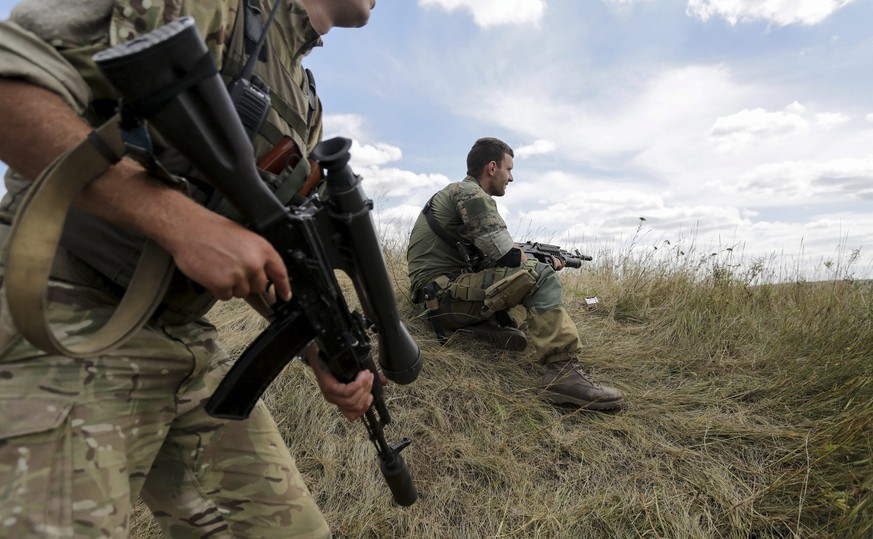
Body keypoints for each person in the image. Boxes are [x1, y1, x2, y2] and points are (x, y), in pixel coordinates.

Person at [0, 0, 377, 537]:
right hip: (62, 307)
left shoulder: (305, 97)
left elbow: (254, 241)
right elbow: (11, 78)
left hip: (184, 339)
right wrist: (176, 221)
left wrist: (314, 342)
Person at [407, 137, 625, 411]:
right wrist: (540, 261)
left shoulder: (456, 194)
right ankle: (562, 374)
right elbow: (507, 256)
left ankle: (484, 329)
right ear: (491, 167)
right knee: (540, 275)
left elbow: (491, 260)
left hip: (436, 300)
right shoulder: (471, 194)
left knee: (521, 281)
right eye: (508, 170)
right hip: (443, 296)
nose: (511, 177)